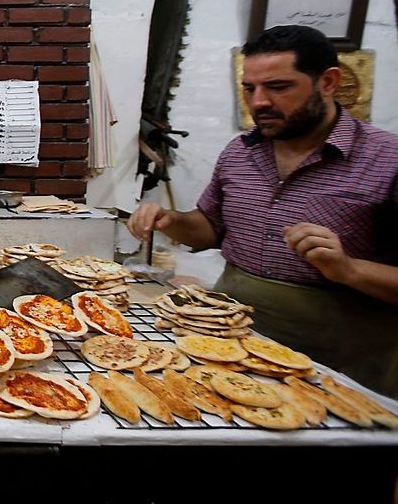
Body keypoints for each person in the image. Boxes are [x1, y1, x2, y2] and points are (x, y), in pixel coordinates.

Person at [128, 25, 398, 399]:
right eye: (249, 88)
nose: (259, 103)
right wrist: (172, 221)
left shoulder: (387, 160)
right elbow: (210, 228)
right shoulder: (240, 153)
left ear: (329, 82)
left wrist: (348, 269)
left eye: (279, 87)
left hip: (342, 360)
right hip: (226, 340)